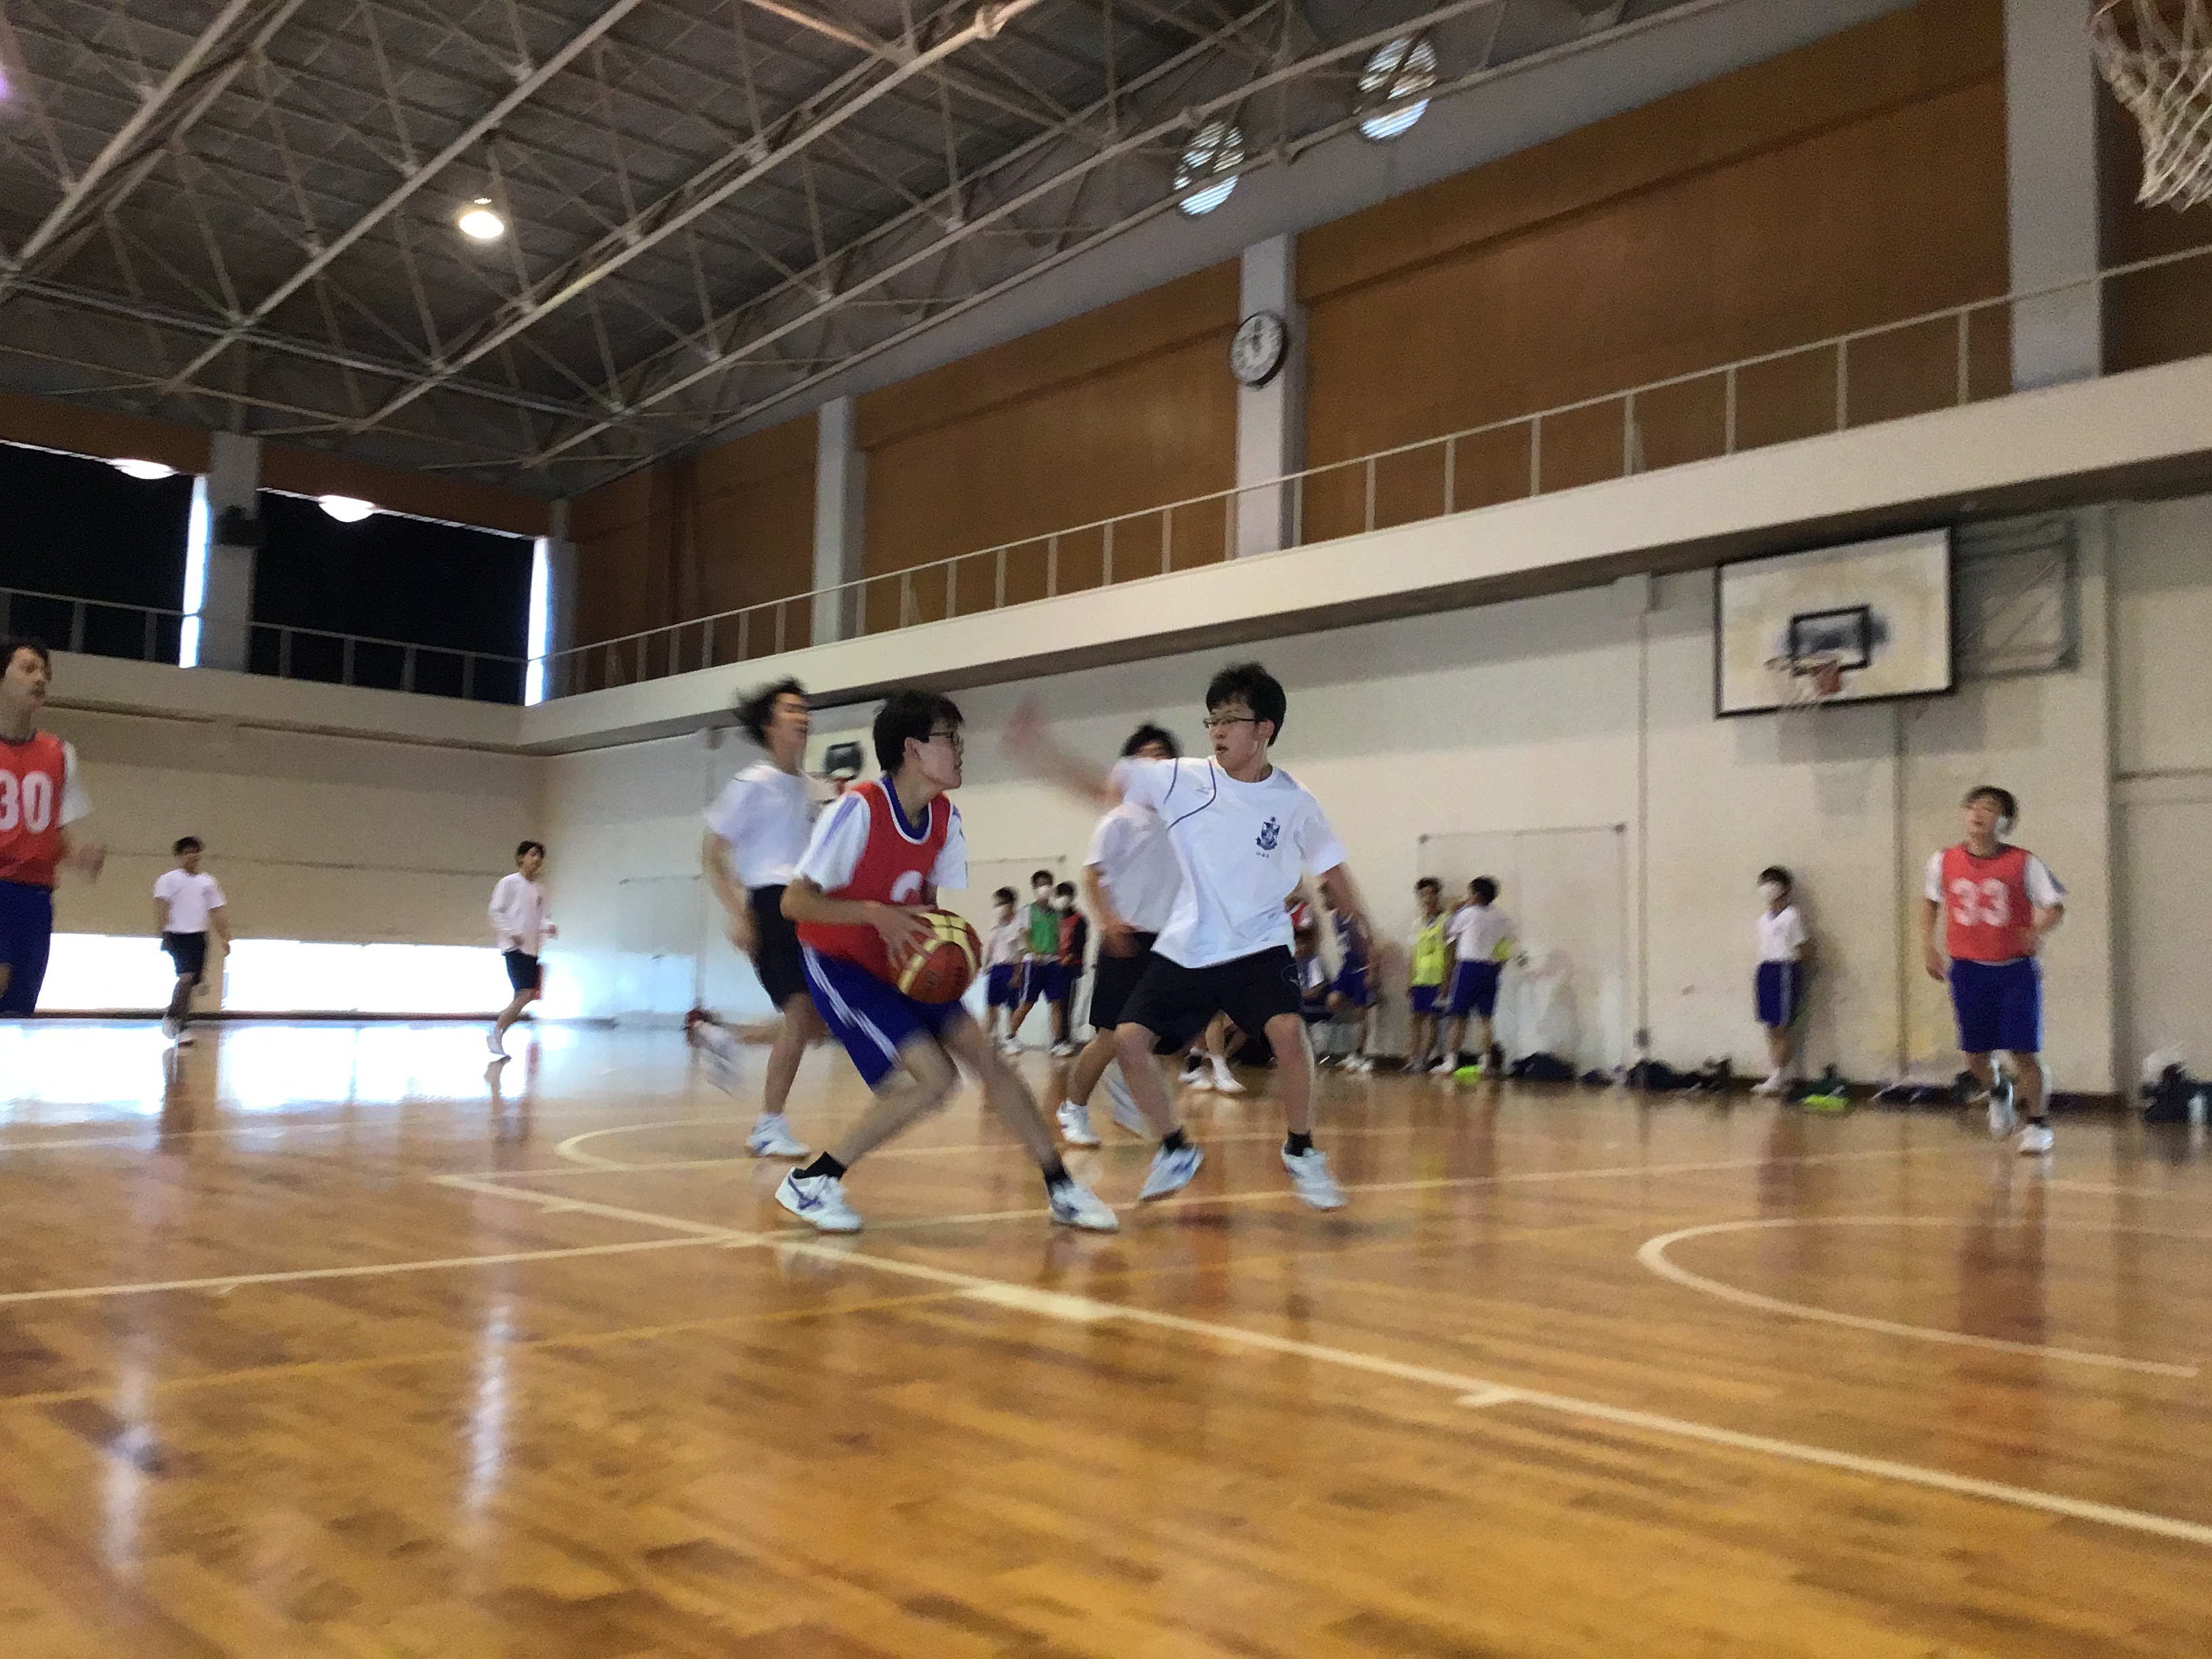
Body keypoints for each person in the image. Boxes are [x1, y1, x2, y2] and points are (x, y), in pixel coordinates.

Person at [1011, 661, 1374, 1212]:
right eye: (1213, 721)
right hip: (1188, 945)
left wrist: (1367, 935)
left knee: (1288, 1033)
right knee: (1129, 1041)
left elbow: (1333, 869)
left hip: (1257, 944)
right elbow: (1104, 788)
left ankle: (1302, 1150)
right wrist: (1042, 752)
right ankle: (1176, 1148)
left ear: (1265, 729)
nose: (1218, 731)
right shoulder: (1183, 778)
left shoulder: (1294, 800)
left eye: (1231, 720)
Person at [775, 690, 1115, 1234]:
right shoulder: (858, 810)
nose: (960, 748)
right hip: (841, 962)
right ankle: (813, 1181)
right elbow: (794, 903)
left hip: (901, 960)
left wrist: (952, 949)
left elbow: (926, 906)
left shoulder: (944, 818)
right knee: (934, 1081)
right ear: (912, 749)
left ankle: (1061, 1188)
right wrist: (875, 915)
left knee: (989, 1059)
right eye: (949, 739)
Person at [699, 677, 823, 1160]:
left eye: (804, 709)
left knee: (818, 1023)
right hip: (770, 904)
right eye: (790, 709)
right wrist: (740, 914)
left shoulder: (813, 789)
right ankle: (770, 1125)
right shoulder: (752, 783)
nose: (802, 716)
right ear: (770, 726)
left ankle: (727, 1038)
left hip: (808, 905)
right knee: (800, 1010)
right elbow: (712, 854)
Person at [1055, 724, 1183, 1147]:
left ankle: (1131, 1095)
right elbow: (1093, 876)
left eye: (1163, 755)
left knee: (1157, 1036)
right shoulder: (1120, 819)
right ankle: (1073, 1107)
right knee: (1110, 1036)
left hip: (1168, 942)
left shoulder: (1180, 820)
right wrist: (1110, 923)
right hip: (1126, 937)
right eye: (1147, 754)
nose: (1156, 762)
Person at [1921, 785, 2065, 1153]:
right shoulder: (1943, 861)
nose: (1978, 813)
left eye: (1989, 808)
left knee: (2023, 1051)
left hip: (2014, 970)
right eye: (1973, 806)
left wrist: (2036, 930)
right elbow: (1931, 902)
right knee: (1974, 1055)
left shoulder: (2023, 863)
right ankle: (1999, 1091)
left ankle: (2038, 1124)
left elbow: (2054, 906)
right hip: (1968, 969)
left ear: (2005, 821)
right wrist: (1928, 945)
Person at [0, 638, 103, 1016]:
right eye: (29, 669)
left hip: (35, 898)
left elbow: (56, 833)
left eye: (45, 672)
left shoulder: (59, 753)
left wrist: (79, 853)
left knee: (18, 1010)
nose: (40, 678)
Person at [153, 836, 228, 1044]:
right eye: (187, 852)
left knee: (193, 982)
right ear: (180, 856)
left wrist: (225, 937)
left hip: (198, 936)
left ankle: (180, 1023)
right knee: (186, 978)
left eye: (195, 852)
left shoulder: (208, 882)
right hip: (177, 935)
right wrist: (163, 933)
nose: (192, 856)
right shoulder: (168, 880)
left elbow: (216, 911)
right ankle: (173, 1018)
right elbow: (162, 906)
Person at [488, 840, 555, 1056]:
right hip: (514, 947)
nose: (537, 859)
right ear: (521, 858)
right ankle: (496, 1032)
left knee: (522, 996)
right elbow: (496, 911)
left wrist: (549, 927)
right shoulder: (509, 883)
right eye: (533, 854)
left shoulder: (541, 889)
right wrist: (511, 932)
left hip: (532, 948)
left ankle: (498, 1034)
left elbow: (543, 916)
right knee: (526, 993)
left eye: (540, 856)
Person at [1442, 877, 1515, 1076]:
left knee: (1459, 1017)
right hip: (1491, 968)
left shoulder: (1468, 913)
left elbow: (1447, 933)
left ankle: (1450, 1061)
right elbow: (1508, 940)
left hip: (1469, 967)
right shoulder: (1501, 916)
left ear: (1476, 895)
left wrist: (1453, 911)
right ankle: (1485, 1063)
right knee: (1486, 1019)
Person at [1752, 866, 1812, 1097]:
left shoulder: (1792, 916)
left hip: (1785, 969)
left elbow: (1805, 948)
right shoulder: (1762, 920)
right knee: (1770, 1024)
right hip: (1766, 969)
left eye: (1772, 883)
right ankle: (1777, 1073)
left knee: (1782, 1025)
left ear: (1784, 888)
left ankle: (1780, 1075)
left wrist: (1795, 965)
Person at [1002, 868, 1063, 1055]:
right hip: (1034, 963)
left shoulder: (1057, 914)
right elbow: (1024, 933)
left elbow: (1059, 936)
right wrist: (1034, 952)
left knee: (1056, 1002)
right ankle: (1011, 1037)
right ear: (1035, 888)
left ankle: (1057, 1041)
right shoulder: (1027, 911)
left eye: (1048, 884)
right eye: (1041, 885)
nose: (1045, 888)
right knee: (1027, 1002)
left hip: (1053, 961)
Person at [1321, 886, 1376, 1072]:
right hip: (1347, 968)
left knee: (1361, 1012)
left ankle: (1359, 1054)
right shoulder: (1335, 918)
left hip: (1362, 968)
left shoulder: (1356, 917)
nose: (1324, 900)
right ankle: (1346, 1050)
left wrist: (1372, 972)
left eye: (1326, 895)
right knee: (1333, 1001)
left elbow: (1371, 945)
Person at [1404, 877, 1448, 1073]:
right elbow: (1413, 953)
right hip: (1420, 978)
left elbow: (1451, 951)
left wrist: (1447, 978)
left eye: (1431, 893)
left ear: (1438, 895)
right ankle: (1412, 1057)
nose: (1427, 898)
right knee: (1416, 1018)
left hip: (1437, 977)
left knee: (1433, 1019)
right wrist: (1409, 980)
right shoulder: (1417, 924)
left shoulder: (1446, 921)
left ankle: (1424, 1057)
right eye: (1423, 895)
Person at [981, 886, 1025, 1046]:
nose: (1000, 908)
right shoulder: (994, 927)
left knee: (1012, 1006)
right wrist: (985, 966)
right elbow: (990, 948)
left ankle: (1012, 1036)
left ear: (1012, 904)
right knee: (992, 1005)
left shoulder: (1019, 926)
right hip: (996, 969)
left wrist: (1018, 974)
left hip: (1011, 968)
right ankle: (990, 1036)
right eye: (997, 904)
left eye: (1003, 903)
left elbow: (1022, 952)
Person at [1050, 881, 1087, 1057]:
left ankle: (1066, 1038)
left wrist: (1066, 961)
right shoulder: (1054, 918)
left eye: (1066, 895)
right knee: (1056, 1004)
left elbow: (1078, 946)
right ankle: (1057, 1038)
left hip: (1070, 968)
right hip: (1053, 966)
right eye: (1060, 895)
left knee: (1067, 1004)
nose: (1063, 899)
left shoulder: (1080, 919)